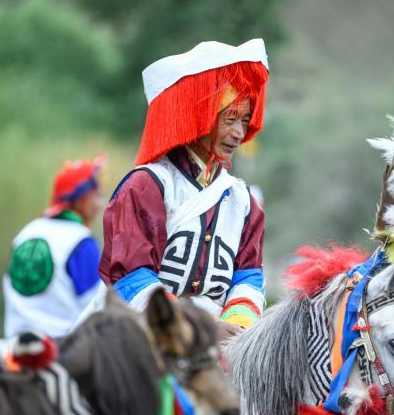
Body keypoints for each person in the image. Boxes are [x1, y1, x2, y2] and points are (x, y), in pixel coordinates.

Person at [98, 39, 269, 336]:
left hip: (225, 338)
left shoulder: (243, 200)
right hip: (150, 333)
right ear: (200, 117)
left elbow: (249, 276)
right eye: (229, 119)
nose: (239, 133)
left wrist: (238, 329)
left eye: (244, 120)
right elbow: (132, 279)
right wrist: (201, 329)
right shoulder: (146, 186)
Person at [3, 156, 105, 337]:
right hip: (64, 345)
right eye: (96, 195)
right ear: (79, 200)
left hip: (15, 341)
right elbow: (95, 305)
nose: (100, 203)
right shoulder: (82, 241)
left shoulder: (26, 233)